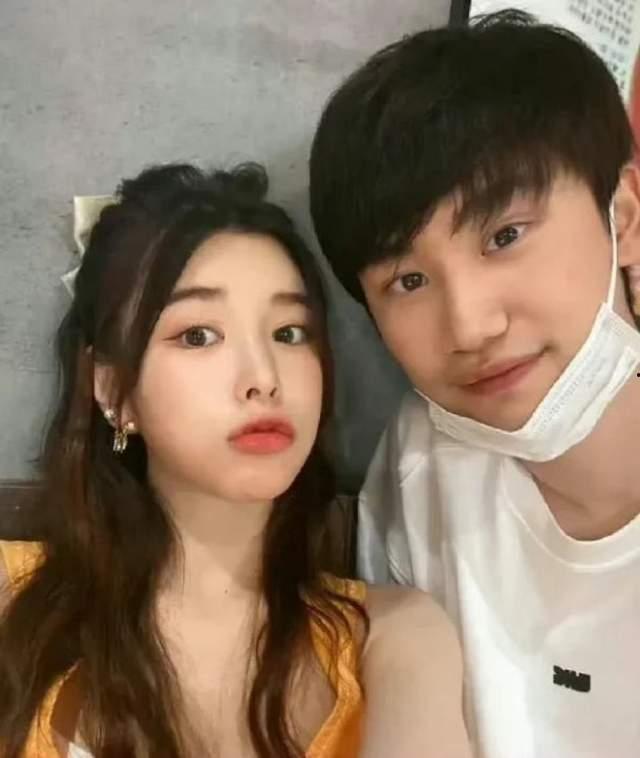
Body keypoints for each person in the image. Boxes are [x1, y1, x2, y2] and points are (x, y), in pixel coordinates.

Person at [0, 162, 470, 758]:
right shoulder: (12, 602)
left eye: (290, 333)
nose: (263, 378)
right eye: (199, 335)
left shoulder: (395, 639)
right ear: (114, 390)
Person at [309, 9, 640, 758]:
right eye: (409, 281)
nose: (469, 326)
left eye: (504, 236)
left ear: (622, 216)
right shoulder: (424, 462)